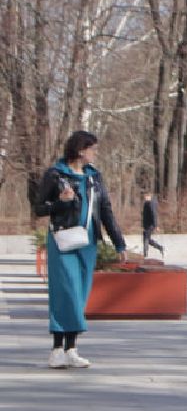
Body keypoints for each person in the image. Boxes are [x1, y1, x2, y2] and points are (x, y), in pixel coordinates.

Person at [35, 130, 127, 368]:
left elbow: (105, 210)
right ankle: (57, 349)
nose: (95, 153)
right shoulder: (56, 175)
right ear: (80, 150)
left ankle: (71, 349)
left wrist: (119, 242)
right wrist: (60, 203)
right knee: (66, 292)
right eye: (92, 149)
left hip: (88, 242)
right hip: (63, 241)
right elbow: (39, 208)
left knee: (80, 293)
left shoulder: (93, 177)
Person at [140, 193, 164, 257]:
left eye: (146, 197)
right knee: (147, 239)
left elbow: (154, 215)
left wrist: (156, 225)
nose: (145, 198)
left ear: (150, 197)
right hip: (146, 224)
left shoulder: (151, 204)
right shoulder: (146, 203)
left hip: (150, 225)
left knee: (146, 238)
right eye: (145, 197)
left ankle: (145, 254)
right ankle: (160, 247)